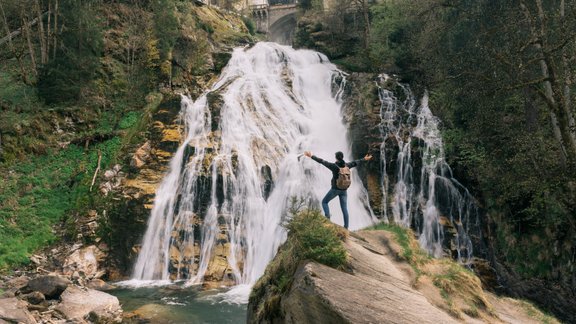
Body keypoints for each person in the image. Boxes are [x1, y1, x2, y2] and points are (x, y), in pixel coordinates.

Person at [303, 150, 373, 229]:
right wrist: (364, 159)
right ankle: (346, 227)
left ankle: (327, 219)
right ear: (342, 157)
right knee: (344, 208)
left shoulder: (333, 166)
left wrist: (311, 156)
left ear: (336, 158)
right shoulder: (347, 165)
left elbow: (322, 161)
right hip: (344, 190)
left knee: (324, 202)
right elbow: (356, 162)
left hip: (335, 189)